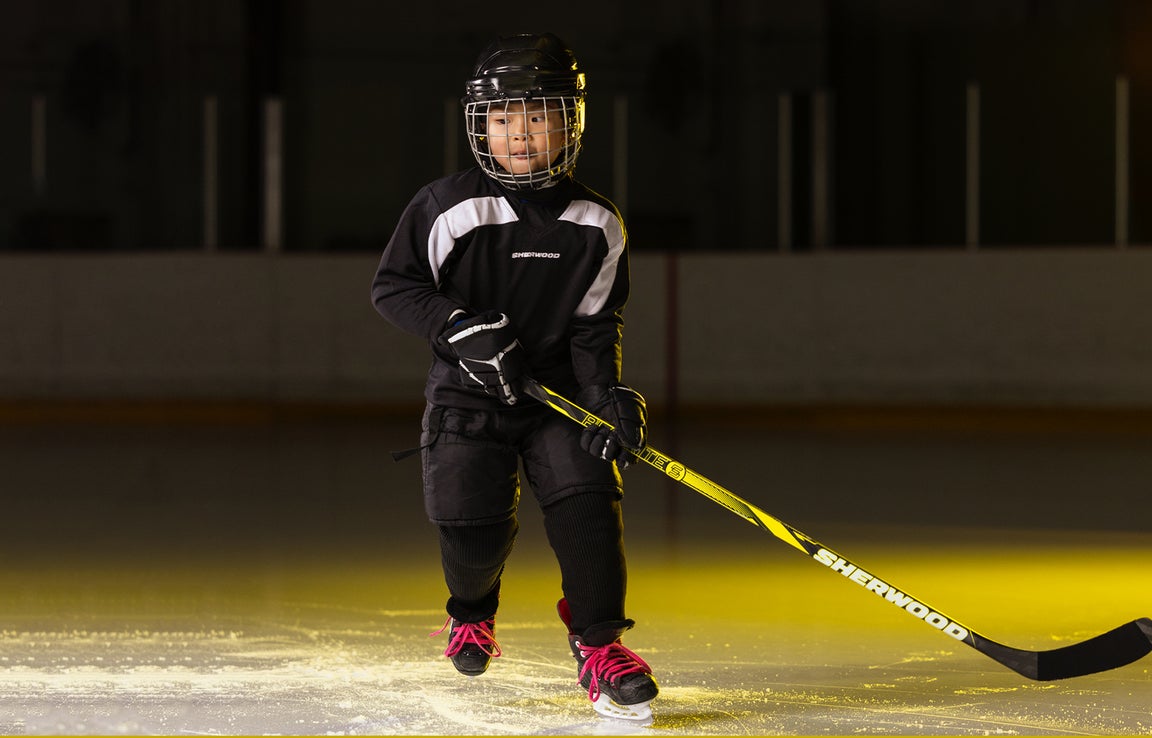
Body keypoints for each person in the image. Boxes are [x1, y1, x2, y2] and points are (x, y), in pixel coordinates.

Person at [370, 32, 658, 720]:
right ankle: (471, 611)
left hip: (556, 397)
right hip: (468, 399)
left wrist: (605, 399)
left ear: (569, 121)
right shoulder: (447, 208)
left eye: (536, 115)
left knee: (590, 506)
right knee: (472, 534)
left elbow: (594, 324)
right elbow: (393, 287)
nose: (518, 134)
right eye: (501, 119)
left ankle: (599, 644)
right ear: (481, 128)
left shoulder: (596, 223)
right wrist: (460, 326)